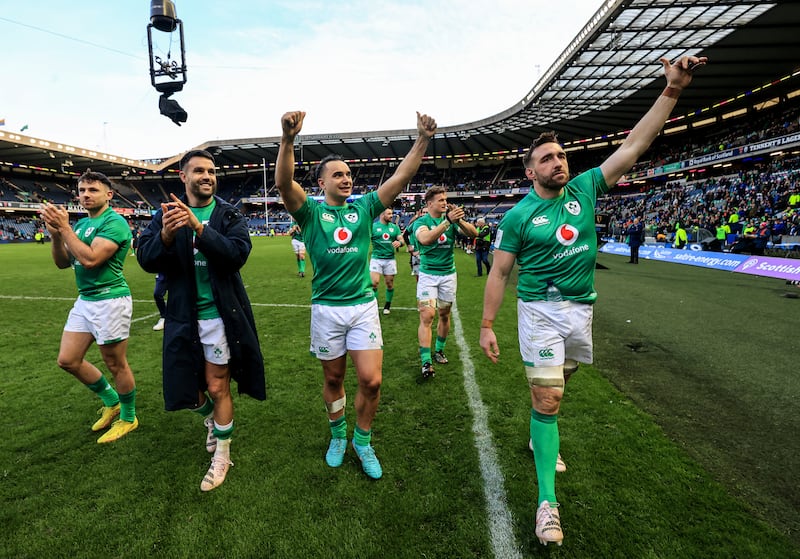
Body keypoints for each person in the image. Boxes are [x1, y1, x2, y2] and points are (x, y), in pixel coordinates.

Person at [479, 55, 707, 546]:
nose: (558, 162)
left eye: (561, 156)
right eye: (547, 158)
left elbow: (635, 144)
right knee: (548, 395)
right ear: (529, 171)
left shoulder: (586, 188)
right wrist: (487, 323)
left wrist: (672, 90)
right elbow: (499, 271)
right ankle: (547, 503)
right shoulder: (518, 217)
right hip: (539, 310)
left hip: (581, 311)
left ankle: (544, 430)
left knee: (560, 384)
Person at [275, 110, 437, 480]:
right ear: (321, 182)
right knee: (333, 380)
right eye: (338, 174)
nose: (346, 179)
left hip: (362, 307)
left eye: (349, 174)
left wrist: (422, 139)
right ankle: (337, 436)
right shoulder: (311, 213)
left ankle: (362, 441)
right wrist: (287, 140)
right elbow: (284, 184)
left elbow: (401, 177)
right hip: (327, 310)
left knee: (372, 380)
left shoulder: (365, 208)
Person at [136, 149, 266, 492]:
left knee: (217, 385)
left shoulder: (227, 214)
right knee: (188, 392)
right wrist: (165, 236)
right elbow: (146, 259)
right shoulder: (163, 214)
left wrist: (198, 228)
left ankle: (222, 456)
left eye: (211, 171)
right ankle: (210, 418)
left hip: (221, 318)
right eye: (199, 171)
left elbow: (236, 255)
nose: (207, 176)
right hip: (182, 317)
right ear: (183, 176)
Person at [40, 170, 139, 444]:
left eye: (92, 190)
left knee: (115, 363)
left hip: (110, 300)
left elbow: (91, 259)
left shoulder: (115, 223)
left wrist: (66, 229)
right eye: (82, 190)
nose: (85, 195)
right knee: (68, 360)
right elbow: (63, 263)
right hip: (86, 300)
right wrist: (57, 236)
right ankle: (112, 401)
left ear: (109, 194)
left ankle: (129, 417)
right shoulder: (81, 225)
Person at [414, 187, 477, 380]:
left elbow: (473, 233)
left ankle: (439, 350)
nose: (444, 202)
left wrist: (458, 220)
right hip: (428, 276)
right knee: (427, 315)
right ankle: (426, 362)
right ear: (429, 203)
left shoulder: (451, 222)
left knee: (444, 314)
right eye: (440, 200)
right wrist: (447, 221)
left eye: (445, 199)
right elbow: (425, 239)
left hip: (448, 276)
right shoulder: (422, 222)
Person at [370, 207, 405, 315]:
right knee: (374, 283)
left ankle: (387, 305)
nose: (391, 216)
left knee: (389, 284)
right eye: (389, 214)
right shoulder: (373, 227)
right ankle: (373, 306)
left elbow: (401, 239)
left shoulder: (394, 228)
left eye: (392, 213)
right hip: (376, 258)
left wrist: (400, 243)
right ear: (382, 214)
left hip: (389, 259)